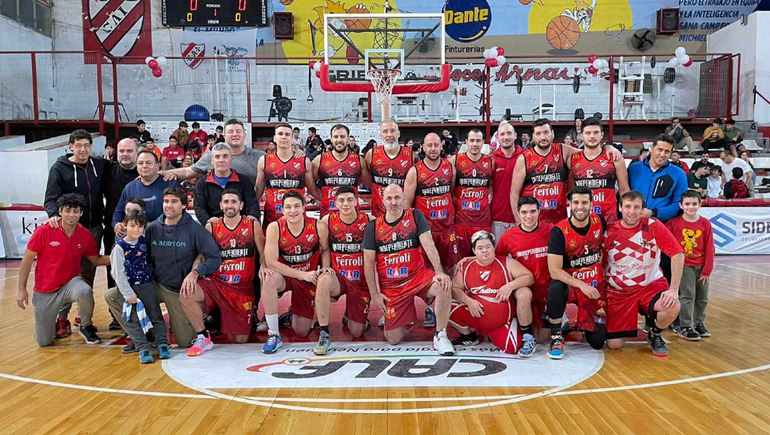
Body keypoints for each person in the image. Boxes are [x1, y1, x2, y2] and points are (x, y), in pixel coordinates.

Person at [105, 188, 222, 349]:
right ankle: (142, 336)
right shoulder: (153, 228)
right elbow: (132, 249)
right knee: (112, 295)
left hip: (178, 290)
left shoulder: (195, 230)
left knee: (186, 342)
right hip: (152, 284)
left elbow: (214, 256)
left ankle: (167, 325)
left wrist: (196, 273)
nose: (169, 205)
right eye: (166, 201)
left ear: (183, 205)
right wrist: (118, 263)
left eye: (174, 202)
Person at [363, 184, 455, 354]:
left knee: (443, 286)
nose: (393, 202)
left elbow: (429, 245)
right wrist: (374, 294)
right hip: (393, 288)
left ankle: (440, 335)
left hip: (418, 277)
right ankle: (403, 314)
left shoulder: (415, 216)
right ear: (383, 201)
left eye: (397, 198)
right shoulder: (374, 227)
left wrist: (439, 271)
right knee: (393, 339)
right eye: (389, 198)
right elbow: (368, 263)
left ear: (404, 199)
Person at [182, 190, 269, 355]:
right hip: (216, 283)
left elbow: (263, 252)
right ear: (221, 205)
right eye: (226, 202)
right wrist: (193, 273)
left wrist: (264, 265)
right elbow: (202, 255)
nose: (230, 205)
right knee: (187, 292)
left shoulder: (252, 224)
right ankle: (202, 336)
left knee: (240, 340)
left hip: (241, 289)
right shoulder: (212, 226)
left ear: (241, 205)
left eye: (234, 202)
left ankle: (221, 317)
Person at [17, 194, 110, 347]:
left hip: (70, 284)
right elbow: (26, 261)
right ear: (60, 211)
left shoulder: (84, 234)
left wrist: (121, 256)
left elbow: (96, 260)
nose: (71, 215)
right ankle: (50, 323)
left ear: (81, 213)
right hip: (45, 290)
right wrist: (22, 290)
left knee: (85, 290)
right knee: (44, 342)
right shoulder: (44, 231)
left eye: (76, 211)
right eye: (67, 211)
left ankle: (85, 326)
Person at [43, 129, 110, 337]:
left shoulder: (99, 165)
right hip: (69, 230)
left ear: (91, 147)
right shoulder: (59, 168)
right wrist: (54, 214)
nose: (83, 149)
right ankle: (61, 318)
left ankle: (83, 314)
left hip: (94, 227)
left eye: (87, 145)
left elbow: (125, 168)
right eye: (79, 145)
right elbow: (50, 197)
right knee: (68, 272)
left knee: (88, 271)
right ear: (71, 146)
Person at [605, 191, 683, 357]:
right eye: (627, 207)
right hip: (620, 292)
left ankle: (655, 333)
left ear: (642, 210)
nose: (632, 211)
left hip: (650, 285)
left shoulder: (653, 225)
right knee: (614, 345)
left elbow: (677, 254)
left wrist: (674, 290)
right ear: (620, 208)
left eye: (636, 207)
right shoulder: (609, 231)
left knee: (672, 306)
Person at [511, 118, 621, 225]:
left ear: (552, 134)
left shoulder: (562, 150)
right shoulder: (524, 158)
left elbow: (590, 152)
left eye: (546, 132)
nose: (543, 137)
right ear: (533, 137)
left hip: (559, 220)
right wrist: (519, 222)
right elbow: (514, 194)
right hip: (534, 221)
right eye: (538, 134)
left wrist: (608, 147)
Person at [263, 191, 333, 350]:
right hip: (287, 274)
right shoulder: (275, 228)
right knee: (268, 279)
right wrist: (303, 275)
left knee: (301, 331)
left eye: (296, 206)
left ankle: (290, 315)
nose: (292, 210)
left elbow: (326, 249)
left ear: (304, 208)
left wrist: (326, 266)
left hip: (308, 277)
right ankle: (273, 334)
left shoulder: (318, 226)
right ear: (282, 209)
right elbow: (271, 262)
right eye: (288, 207)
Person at [545, 187, 608, 359]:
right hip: (571, 284)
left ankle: (579, 323)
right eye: (576, 202)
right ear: (569, 204)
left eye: (584, 202)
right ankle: (556, 336)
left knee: (597, 343)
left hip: (594, 284)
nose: (580, 207)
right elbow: (554, 271)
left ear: (591, 204)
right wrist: (582, 285)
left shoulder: (600, 222)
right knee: (555, 287)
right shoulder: (558, 231)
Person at [449, 231, 534, 354]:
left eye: (488, 247)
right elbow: (455, 289)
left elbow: (529, 277)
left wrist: (510, 286)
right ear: (474, 250)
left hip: (500, 322)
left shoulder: (506, 263)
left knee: (513, 348)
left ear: (494, 247)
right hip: (475, 315)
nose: (484, 250)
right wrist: (468, 301)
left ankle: (503, 330)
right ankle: (468, 336)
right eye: (480, 248)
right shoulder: (465, 267)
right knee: (444, 304)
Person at [316, 186, 373, 354]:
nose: (346, 204)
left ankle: (352, 315)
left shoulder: (369, 220)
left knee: (356, 331)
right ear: (336, 203)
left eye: (349, 200)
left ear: (356, 201)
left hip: (360, 281)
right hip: (338, 277)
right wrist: (326, 267)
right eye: (341, 200)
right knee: (323, 279)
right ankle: (324, 333)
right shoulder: (327, 220)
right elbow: (325, 249)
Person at [110, 209, 171, 363]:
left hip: (146, 285)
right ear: (125, 225)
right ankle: (143, 348)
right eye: (132, 225)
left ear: (144, 228)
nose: (136, 229)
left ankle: (162, 343)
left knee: (155, 314)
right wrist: (128, 294)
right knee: (132, 320)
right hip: (127, 290)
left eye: (139, 226)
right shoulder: (119, 247)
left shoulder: (144, 242)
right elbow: (117, 273)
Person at [496, 196, 554, 347]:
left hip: (547, 289)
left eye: (533, 211)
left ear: (539, 212)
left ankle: (557, 320)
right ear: (518, 213)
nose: (529, 216)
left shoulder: (551, 230)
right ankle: (527, 337)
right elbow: (497, 262)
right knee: (523, 294)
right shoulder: (509, 236)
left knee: (541, 339)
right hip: (525, 287)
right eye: (524, 212)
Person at [404, 132, 460, 275]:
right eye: (429, 145)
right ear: (423, 147)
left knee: (451, 270)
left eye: (436, 145)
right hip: (426, 231)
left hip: (447, 229)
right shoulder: (415, 171)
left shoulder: (450, 168)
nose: (433, 148)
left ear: (441, 147)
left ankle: (449, 297)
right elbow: (407, 205)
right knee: (427, 271)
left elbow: (451, 193)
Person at [665, 190, 714, 341]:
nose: (690, 207)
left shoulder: (705, 224)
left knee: (702, 297)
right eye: (687, 204)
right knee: (687, 295)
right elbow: (665, 241)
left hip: (702, 267)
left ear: (700, 204)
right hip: (684, 266)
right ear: (681, 205)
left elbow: (710, 248)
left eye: (694, 204)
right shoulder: (674, 223)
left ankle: (699, 323)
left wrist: (707, 270)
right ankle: (685, 325)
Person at [163, 119, 268, 187]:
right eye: (231, 132)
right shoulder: (213, 156)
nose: (235, 134)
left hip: (249, 212)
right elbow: (187, 172)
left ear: (244, 134)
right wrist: (158, 174)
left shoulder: (260, 157)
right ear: (224, 136)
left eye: (238, 131)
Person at [103, 138, 139, 326]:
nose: (125, 154)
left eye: (129, 151)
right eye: (122, 150)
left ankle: (143, 308)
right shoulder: (107, 170)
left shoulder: (144, 171)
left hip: (140, 233)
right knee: (114, 270)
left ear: (136, 152)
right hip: (114, 230)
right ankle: (116, 315)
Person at [256, 123, 320, 229]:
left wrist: (335, 200)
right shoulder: (264, 160)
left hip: (297, 219)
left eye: (287, 134)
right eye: (280, 134)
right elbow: (258, 191)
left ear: (292, 138)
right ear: (275, 138)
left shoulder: (304, 161)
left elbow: (313, 190)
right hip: (272, 219)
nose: (284, 137)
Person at [568, 117, 629, 225]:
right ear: (581, 136)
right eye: (588, 133)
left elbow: (624, 191)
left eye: (596, 132)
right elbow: (570, 192)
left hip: (608, 220)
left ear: (601, 135)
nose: (592, 136)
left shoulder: (614, 157)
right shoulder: (572, 159)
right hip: (581, 221)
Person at [113, 151, 181, 235]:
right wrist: (116, 224)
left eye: (148, 163)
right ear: (137, 166)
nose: (144, 166)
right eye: (140, 163)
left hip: (165, 236)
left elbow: (180, 213)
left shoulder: (170, 184)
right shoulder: (130, 188)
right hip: (137, 238)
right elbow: (118, 212)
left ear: (157, 166)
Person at [193, 143, 260, 227]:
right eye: (217, 157)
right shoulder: (202, 183)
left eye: (225, 156)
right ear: (212, 160)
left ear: (231, 159)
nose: (221, 160)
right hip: (213, 228)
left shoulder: (244, 181)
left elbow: (252, 204)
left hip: (241, 228)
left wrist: (252, 218)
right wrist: (208, 222)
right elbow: (199, 208)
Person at [312, 124, 371, 217]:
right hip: (328, 216)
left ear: (348, 139)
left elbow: (371, 184)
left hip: (352, 216)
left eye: (342, 136)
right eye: (335, 136)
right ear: (331, 139)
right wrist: (322, 197)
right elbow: (308, 184)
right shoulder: (320, 160)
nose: (339, 140)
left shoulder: (359, 161)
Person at [627, 134, 687, 223]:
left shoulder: (678, 173)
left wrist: (653, 213)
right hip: (632, 223)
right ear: (652, 148)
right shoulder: (633, 169)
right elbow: (623, 195)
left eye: (667, 151)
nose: (662, 154)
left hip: (662, 225)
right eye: (660, 150)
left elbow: (680, 204)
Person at [453, 129, 494, 258]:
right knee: (460, 261)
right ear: (466, 142)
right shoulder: (455, 160)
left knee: (483, 259)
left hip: (482, 221)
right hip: (461, 221)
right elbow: (450, 190)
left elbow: (491, 185)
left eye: (478, 141)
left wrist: (489, 197)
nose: (475, 144)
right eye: (472, 140)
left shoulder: (490, 161)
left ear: (483, 142)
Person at [364, 119, 414, 218]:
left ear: (398, 133)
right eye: (385, 131)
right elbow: (368, 179)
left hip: (402, 213)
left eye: (393, 131)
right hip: (378, 214)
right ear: (380, 135)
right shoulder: (371, 154)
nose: (389, 134)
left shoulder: (411, 156)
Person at [490, 121, 526, 240]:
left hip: (525, 217)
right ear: (497, 137)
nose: (506, 137)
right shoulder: (491, 160)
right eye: (502, 134)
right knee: (499, 257)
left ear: (515, 135)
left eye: (509, 133)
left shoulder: (526, 156)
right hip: (499, 218)